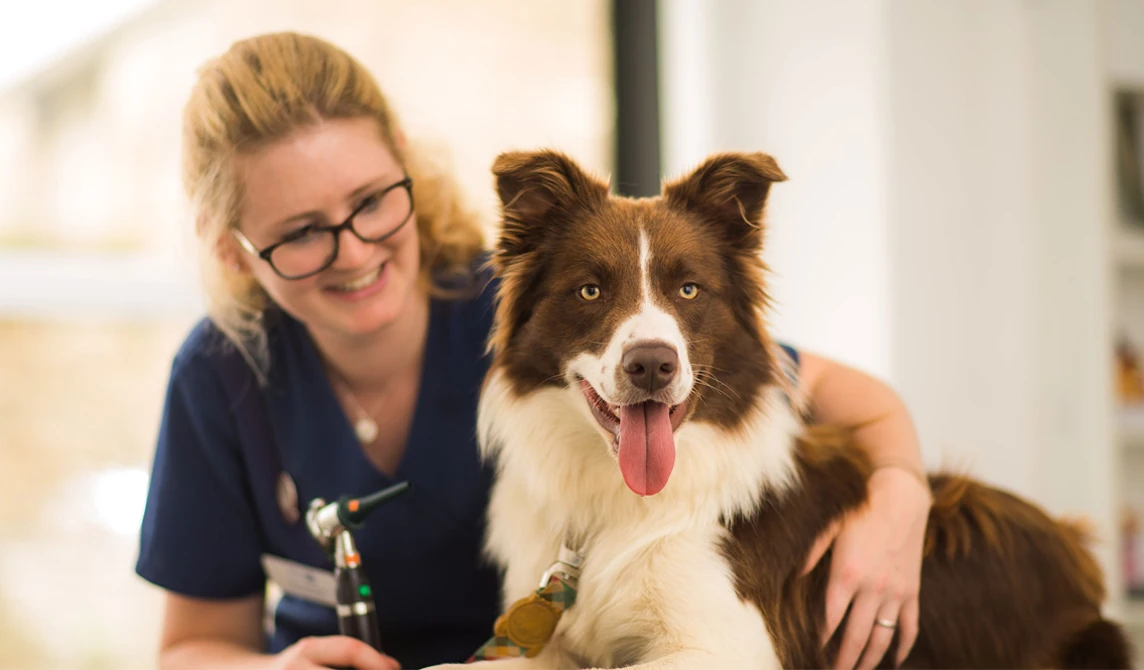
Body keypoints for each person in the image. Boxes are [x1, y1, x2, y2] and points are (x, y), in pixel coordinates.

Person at [135, 31, 933, 670]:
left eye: (372, 202)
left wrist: (901, 491)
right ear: (234, 247)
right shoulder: (221, 376)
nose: (353, 252)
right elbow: (190, 645)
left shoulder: (523, 305)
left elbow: (833, 390)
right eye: (303, 232)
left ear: (404, 164)